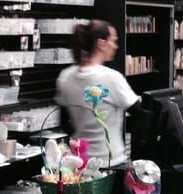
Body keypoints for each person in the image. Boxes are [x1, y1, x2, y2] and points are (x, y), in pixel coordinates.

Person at [54, 20, 139, 168]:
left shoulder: (66, 76)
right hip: (111, 163)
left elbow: (64, 123)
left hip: (80, 164)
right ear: (101, 43)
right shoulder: (111, 78)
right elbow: (139, 112)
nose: (116, 46)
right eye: (113, 41)